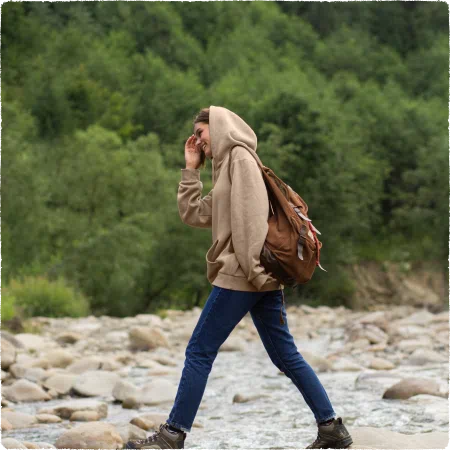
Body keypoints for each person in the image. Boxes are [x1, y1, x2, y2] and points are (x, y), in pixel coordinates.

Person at [126, 106, 353, 450]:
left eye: (201, 133)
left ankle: (172, 435)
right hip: (257, 276)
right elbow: (194, 213)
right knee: (284, 355)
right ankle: (331, 428)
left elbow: (251, 222)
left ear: (219, 126)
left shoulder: (241, 159)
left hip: (244, 275)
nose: (198, 141)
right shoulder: (224, 166)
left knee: (199, 351)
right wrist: (191, 170)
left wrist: (253, 273)